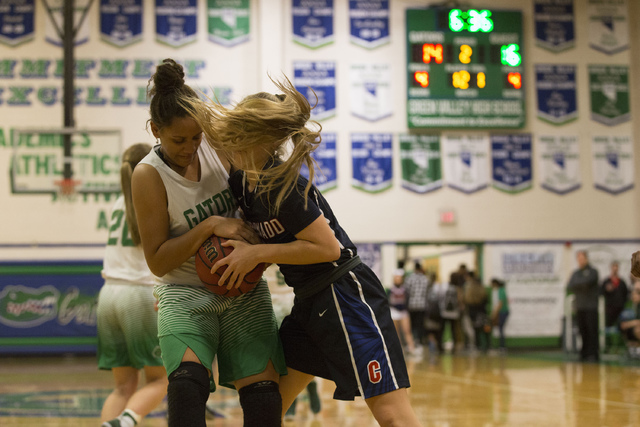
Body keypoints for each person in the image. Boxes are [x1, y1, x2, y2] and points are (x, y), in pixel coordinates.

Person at [185, 76, 422, 426]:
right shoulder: (241, 181)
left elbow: (328, 249)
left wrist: (257, 254)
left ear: (262, 139)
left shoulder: (284, 186)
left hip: (345, 295)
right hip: (309, 301)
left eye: (240, 131)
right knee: (268, 406)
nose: (230, 138)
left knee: (391, 415)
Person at [131, 59, 287, 427]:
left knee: (265, 399)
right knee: (186, 392)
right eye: (178, 140)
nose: (190, 147)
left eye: (196, 137)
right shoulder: (148, 176)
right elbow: (157, 261)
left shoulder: (216, 144)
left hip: (241, 287)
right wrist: (211, 225)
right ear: (155, 130)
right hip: (185, 292)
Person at [98, 143, 168, 427]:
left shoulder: (119, 203)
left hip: (108, 296)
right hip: (137, 295)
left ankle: (111, 423)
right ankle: (126, 421)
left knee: (122, 386)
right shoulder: (151, 199)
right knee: (161, 378)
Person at [566, 250, 600, 362]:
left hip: (591, 307)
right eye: (578, 259)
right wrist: (582, 285)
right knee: (582, 331)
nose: (580, 261)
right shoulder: (576, 273)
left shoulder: (593, 271)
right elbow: (570, 285)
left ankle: (594, 354)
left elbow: (589, 282)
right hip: (580, 307)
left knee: (592, 331)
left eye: (582, 258)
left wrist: (580, 284)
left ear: (586, 259)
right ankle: (584, 353)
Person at [388, 266, 420, 357]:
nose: (398, 279)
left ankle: (411, 348)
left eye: (399, 277)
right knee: (396, 332)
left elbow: (407, 300)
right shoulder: (390, 289)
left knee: (407, 331)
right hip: (394, 312)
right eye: (396, 277)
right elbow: (389, 301)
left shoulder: (405, 289)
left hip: (403, 312)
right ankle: (399, 350)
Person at [463, 271, 489, 353]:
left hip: (473, 314)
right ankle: (488, 346)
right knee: (485, 330)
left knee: (476, 330)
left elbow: (467, 302)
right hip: (482, 313)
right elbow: (486, 302)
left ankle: (478, 346)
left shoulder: (469, 292)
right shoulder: (483, 291)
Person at [405, 261, 429, 347]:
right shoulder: (425, 279)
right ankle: (420, 341)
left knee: (412, 325)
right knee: (420, 324)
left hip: (412, 305)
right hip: (422, 305)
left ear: (414, 269)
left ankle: (414, 341)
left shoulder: (409, 278)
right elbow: (427, 292)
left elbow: (406, 291)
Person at [601, 261, 628, 328]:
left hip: (620, 308)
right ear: (611, 268)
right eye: (614, 267)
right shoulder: (606, 281)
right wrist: (606, 289)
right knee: (608, 326)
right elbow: (601, 292)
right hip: (609, 309)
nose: (615, 269)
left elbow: (626, 293)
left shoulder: (622, 282)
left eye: (616, 267)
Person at [619, 280, 640, 357]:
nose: (633, 297)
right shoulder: (635, 306)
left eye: (635, 294)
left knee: (637, 329)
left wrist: (629, 324)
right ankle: (634, 349)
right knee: (625, 328)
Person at [489, 278, 509, 353]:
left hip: (502, 312)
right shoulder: (496, 291)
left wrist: (495, 313)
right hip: (500, 312)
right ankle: (500, 346)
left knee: (501, 328)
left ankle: (502, 346)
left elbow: (500, 303)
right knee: (499, 328)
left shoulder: (501, 290)